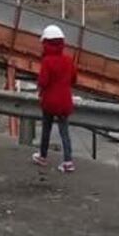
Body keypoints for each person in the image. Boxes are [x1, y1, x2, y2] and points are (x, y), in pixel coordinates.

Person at [32, 25, 78, 173]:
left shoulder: (47, 61)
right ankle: (68, 161)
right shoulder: (68, 60)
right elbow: (73, 79)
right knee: (64, 131)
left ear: (46, 43)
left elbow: (43, 82)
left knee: (46, 128)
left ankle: (43, 156)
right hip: (64, 100)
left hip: (49, 100)